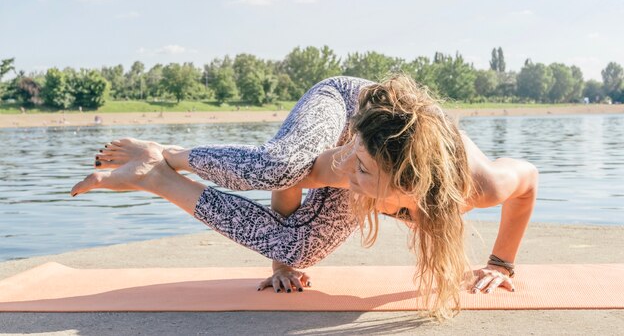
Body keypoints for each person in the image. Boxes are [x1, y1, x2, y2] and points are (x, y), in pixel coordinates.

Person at [70, 75, 538, 319]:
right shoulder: (348, 156)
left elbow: (528, 182)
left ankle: (156, 177)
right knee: (283, 165)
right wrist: (279, 266)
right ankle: (168, 155)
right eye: (350, 159)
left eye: (361, 169)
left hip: (396, 141)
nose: (346, 165)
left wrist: (500, 264)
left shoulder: (480, 186)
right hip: (346, 100)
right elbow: (289, 182)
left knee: (297, 248)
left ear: (406, 187)